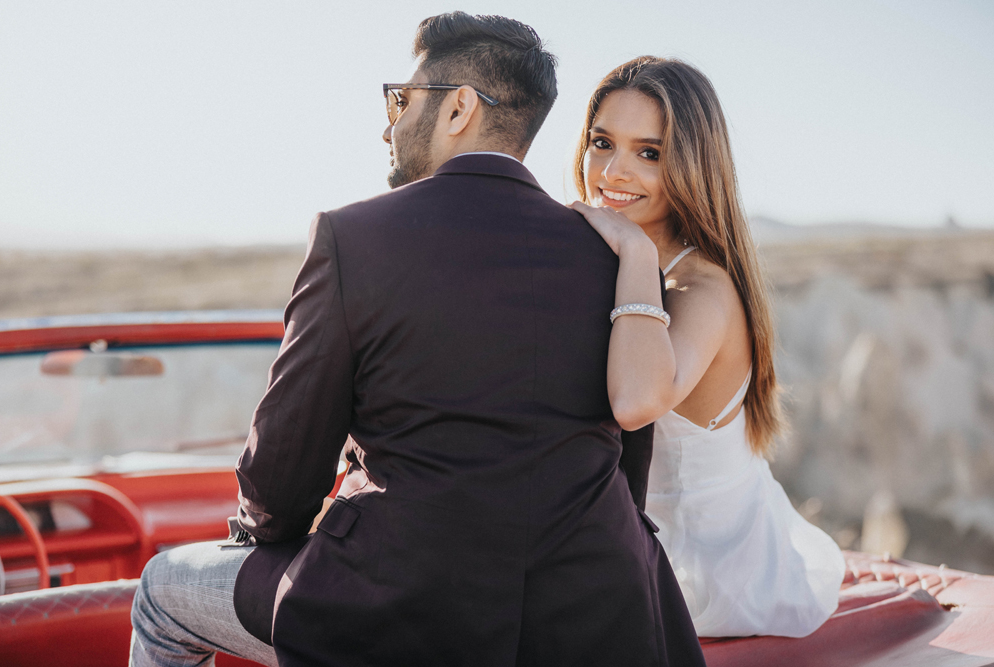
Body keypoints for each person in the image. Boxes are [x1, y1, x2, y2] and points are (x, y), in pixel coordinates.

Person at [130, 16, 706, 667]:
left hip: (397, 601)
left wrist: (262, 535)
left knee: (159, 592)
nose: (389, 123)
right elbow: (626, 471)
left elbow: (284, 469)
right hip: (595, 604)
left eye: (400, 100)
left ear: (459, 106)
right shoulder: (614, 259)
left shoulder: (352, 238)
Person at [570, 56, 846, 638]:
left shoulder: (702, 289)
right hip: (626, 543)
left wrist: (639, 251)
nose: (613, 172)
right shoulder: (606, 258)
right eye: (602, 143)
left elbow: (637, 401)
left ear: (693, 165)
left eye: (650, 153)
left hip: (710, 572)